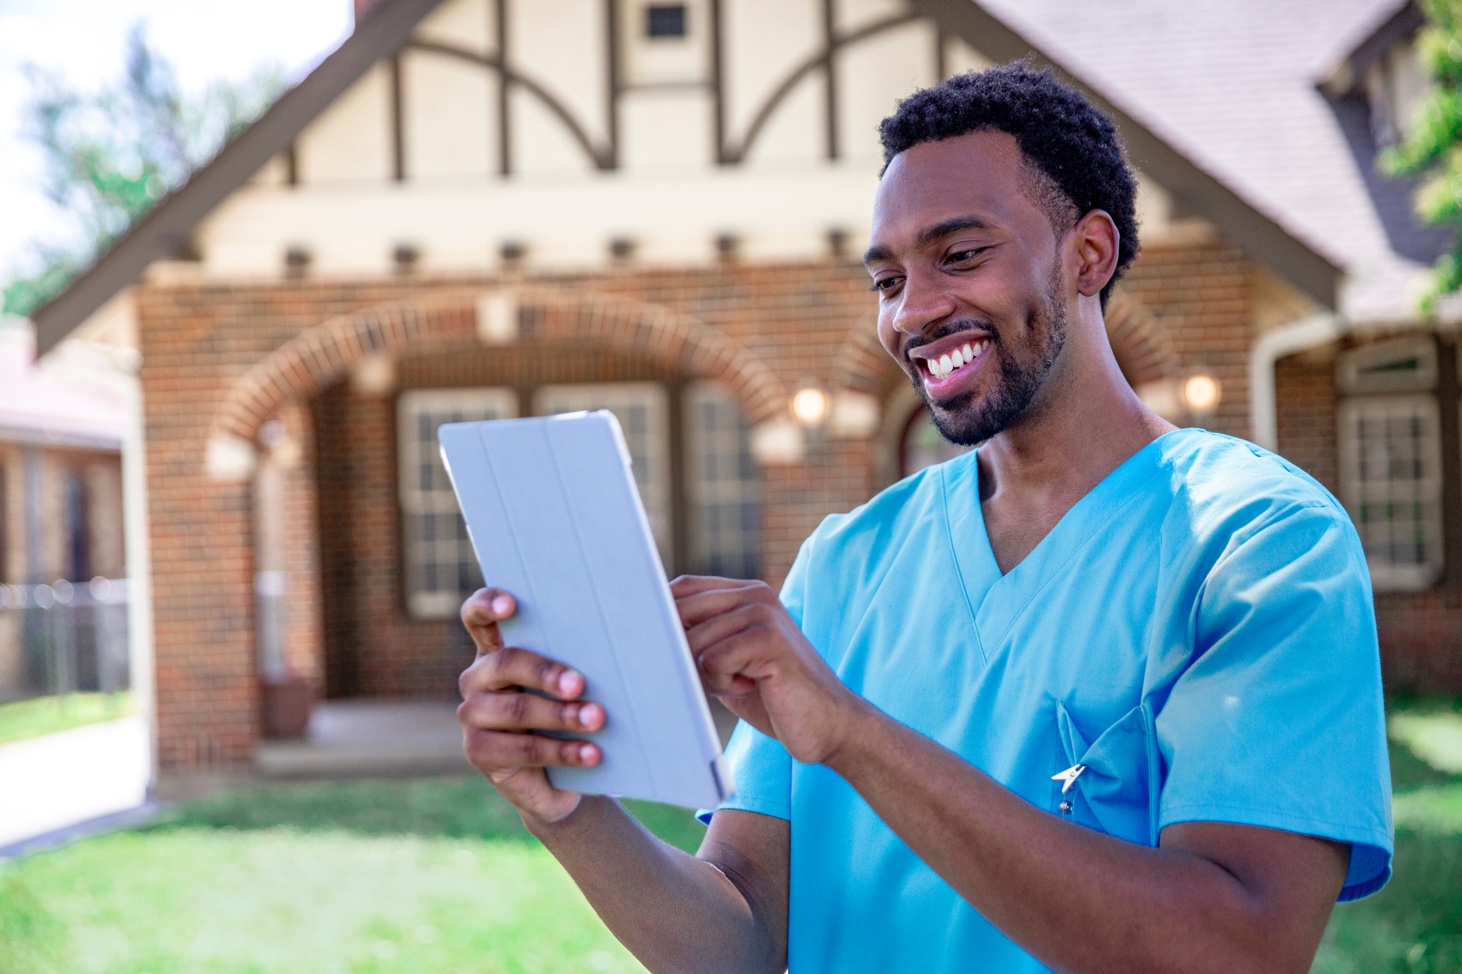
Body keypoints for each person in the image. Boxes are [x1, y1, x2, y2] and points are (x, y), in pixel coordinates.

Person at [456, 63, 1392, 973]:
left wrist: (853, 737)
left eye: (960, 255)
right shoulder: (845, 564)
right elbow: (739, 945)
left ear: (1088, 254)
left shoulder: (1259, 545)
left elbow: (1241, 950)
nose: (915, 311)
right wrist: (564, 805)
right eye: (888, 280)